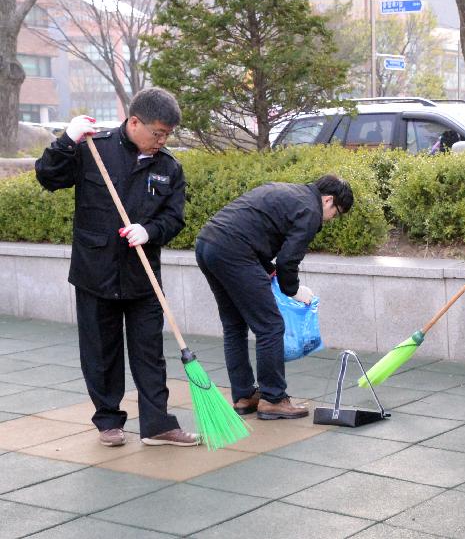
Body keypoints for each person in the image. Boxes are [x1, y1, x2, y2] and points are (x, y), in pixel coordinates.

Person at [35, 88, 199, 446]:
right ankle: (109, 421)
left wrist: (150, 230)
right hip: (95, 272)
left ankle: (158, 425)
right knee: (101, 352)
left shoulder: (169, 167)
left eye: (167, 134)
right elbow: (48, 177)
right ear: (134, 122)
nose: (161, 140)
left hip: (143, 277)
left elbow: (175, 219)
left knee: (149, 354)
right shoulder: (95, 148)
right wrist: (65, 141)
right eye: (157, 132)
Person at [195, 175, 353, 420]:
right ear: (328, 200)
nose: (333, 219)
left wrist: (269, 271)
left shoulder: (287, 191)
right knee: (270, 326)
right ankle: (273, 398)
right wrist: (294, 290)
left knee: (234, 325)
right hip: (234, 251)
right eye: (337, 212)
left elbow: (252, 229)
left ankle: (244, 395)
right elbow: (289, 259)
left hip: (207, 244)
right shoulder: (310, 210)